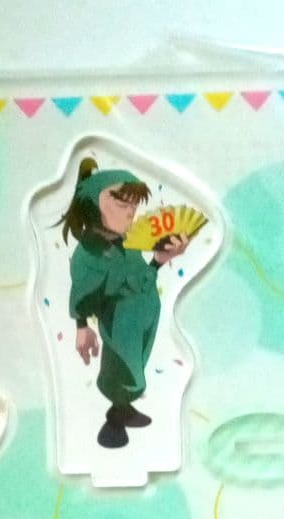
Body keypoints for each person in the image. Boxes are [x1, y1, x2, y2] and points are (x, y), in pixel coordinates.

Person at [59, 158, 188, 448]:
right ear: (95, 203)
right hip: (120, 327)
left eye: (133, 206)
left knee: (137, 365)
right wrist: (82, 326)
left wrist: (158, 261)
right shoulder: (89, 254)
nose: (130, 213)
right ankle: (113, 423)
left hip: (142, 319)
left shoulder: (128, 243)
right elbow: (82, 293)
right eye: (121, 204)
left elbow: (138, 276)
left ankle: (124, 408)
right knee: (123, 371)